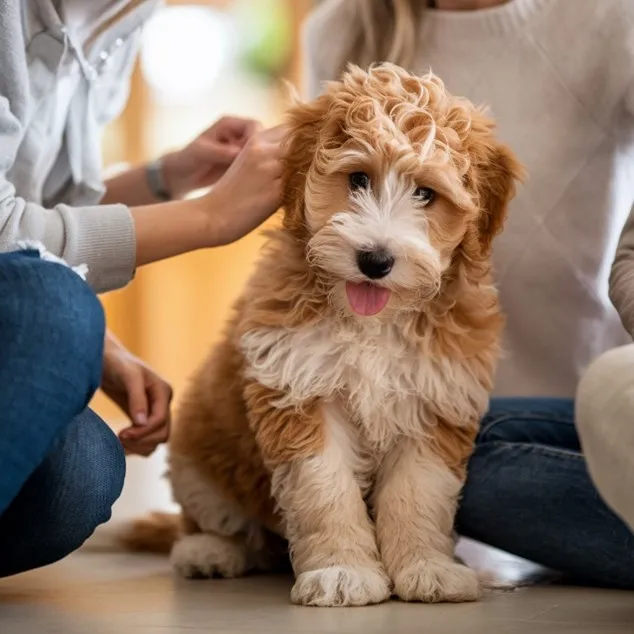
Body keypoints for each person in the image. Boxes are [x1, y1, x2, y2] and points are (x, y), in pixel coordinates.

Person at [303, 0, 634, 588]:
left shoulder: (611, 17)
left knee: (463, 470)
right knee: (449, 471)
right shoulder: (339, 28)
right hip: (421, 410)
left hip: (593, 391)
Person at [0, 0, 283, 577]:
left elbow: (40, 214)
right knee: (59, 308)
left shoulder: (122, 18)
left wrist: (168, 177)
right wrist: (210, 220)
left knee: (83, 475)